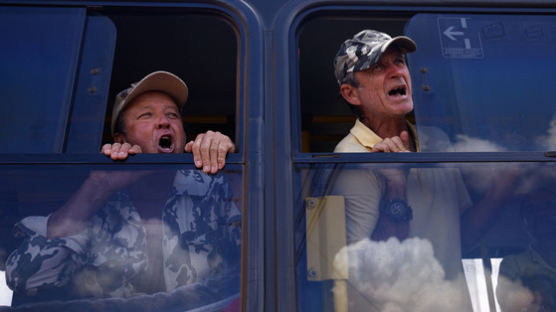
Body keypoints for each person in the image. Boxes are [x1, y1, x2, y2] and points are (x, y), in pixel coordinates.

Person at [4, 71, 241, 309]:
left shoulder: (213, 187)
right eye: (146, 115)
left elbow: (263, 263)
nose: (164, 121)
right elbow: (23, 279)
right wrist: (98, 188)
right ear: (120, 140)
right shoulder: (97, 203)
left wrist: (236, 168)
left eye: (172, 115)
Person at [330, 30, 515, 310]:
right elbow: (379, 272)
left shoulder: (435, 139)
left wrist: (503, 187)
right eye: (379, 66)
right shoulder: (350, 158)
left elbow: (463, 236)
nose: (396, 72)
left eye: (400, 61)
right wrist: (395, 185)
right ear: (351, 93)